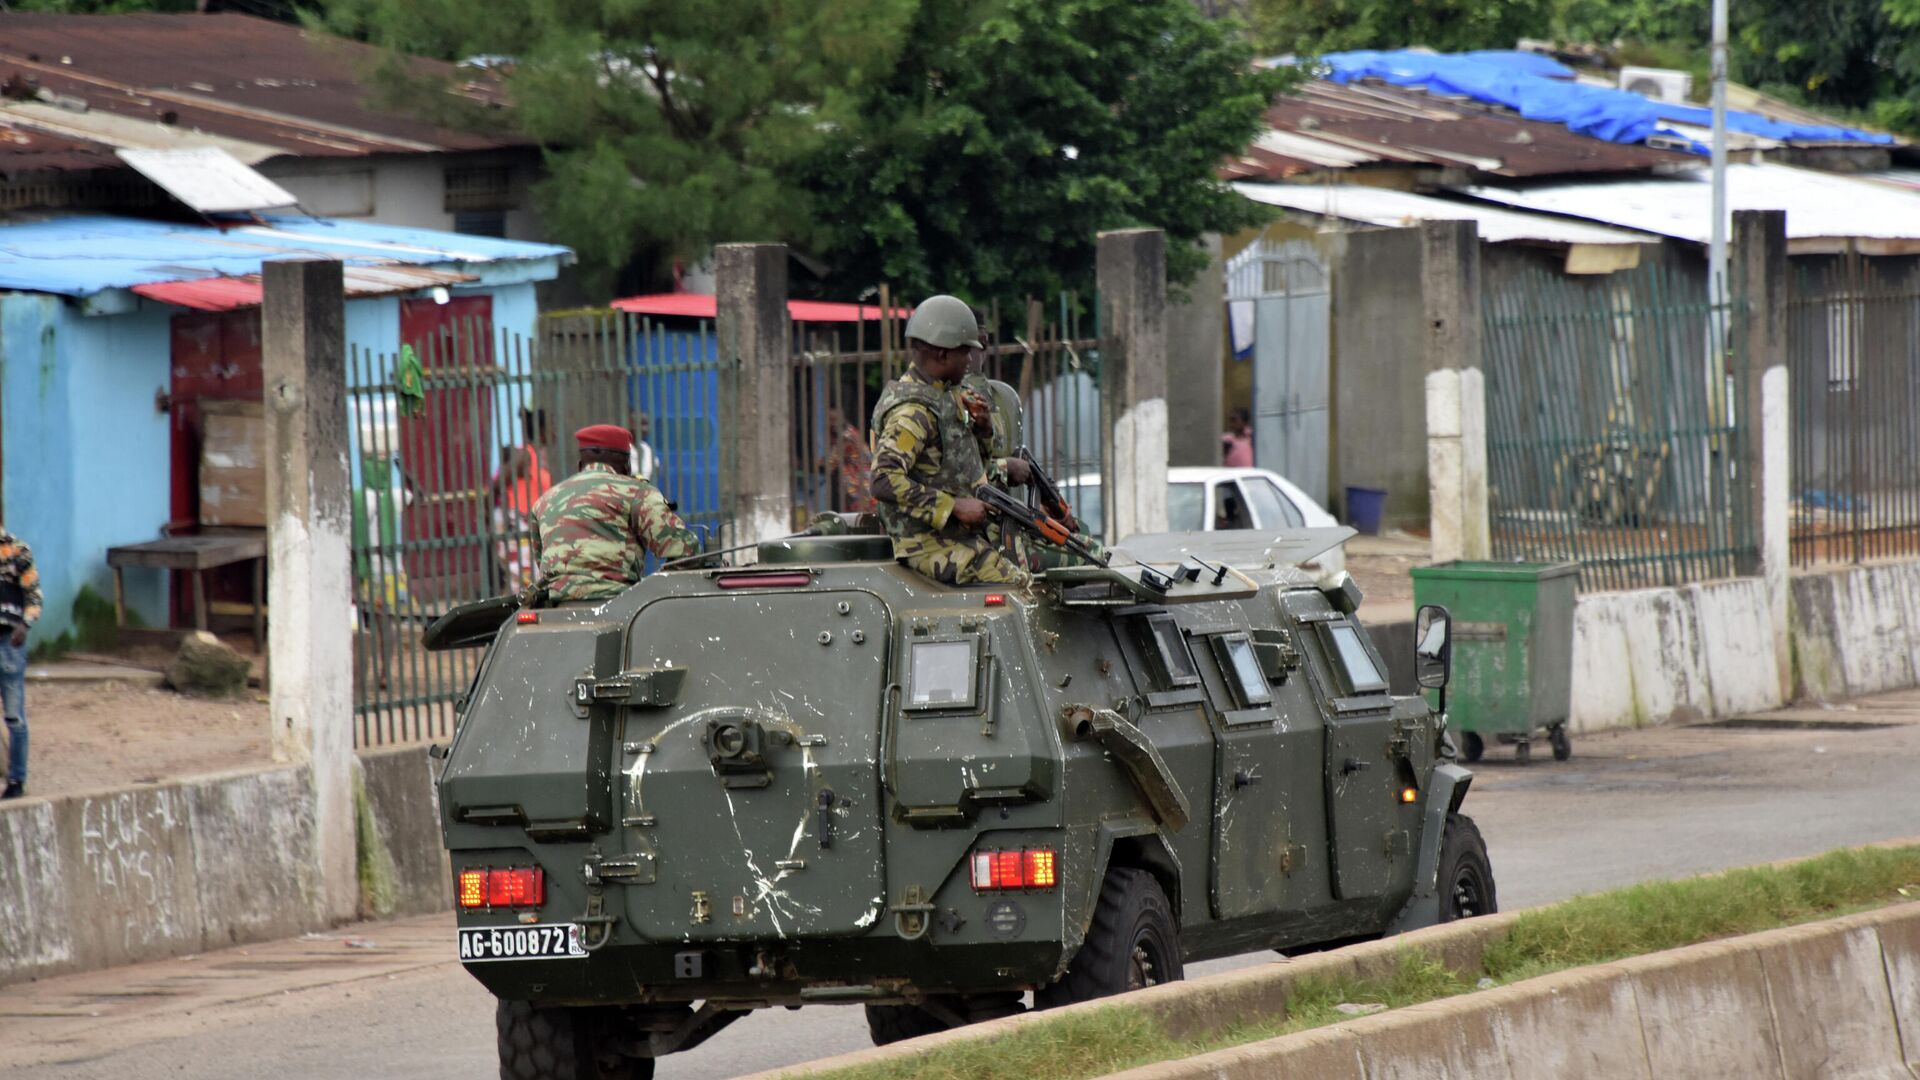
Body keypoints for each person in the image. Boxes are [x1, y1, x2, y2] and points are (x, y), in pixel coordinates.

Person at [870, 295, 1033, 588]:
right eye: (965, 352)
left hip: (959, 537)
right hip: (926, 544)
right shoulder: (913, 412)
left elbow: (964, 469)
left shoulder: (946, 395)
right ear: (942, 355)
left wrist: (983, 431)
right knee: (1021, 591)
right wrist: (952, 507)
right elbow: (883, 480)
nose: (971, 360)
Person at [533, 424, 700, 602]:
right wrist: (656, 590)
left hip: (557, 604)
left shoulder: (544, 500)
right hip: (618, 603)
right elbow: (686, 550)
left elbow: (540, 558)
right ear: (627, 466)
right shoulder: (636, 492)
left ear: (580, 464)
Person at [489, 408, 553, 592]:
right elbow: (496, 484)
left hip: (531, 526)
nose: (555, 432)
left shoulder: (540, 456)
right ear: (541, 430)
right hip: (519, 524)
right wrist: (491, 517)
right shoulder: (525, 455)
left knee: (528, 579)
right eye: (551, 427)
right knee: (524, 580)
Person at [0, 527, 40, 800]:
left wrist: (25, 625)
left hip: (8, 641)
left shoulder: (17, 550)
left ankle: (17, 779)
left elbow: (34, 595)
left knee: (14, 716)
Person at [821, 406, 876, 513]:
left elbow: (830, 463)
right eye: (829, 420)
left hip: (860, 487)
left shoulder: (846, 437)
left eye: (833, 420)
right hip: (863, 485)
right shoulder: (851, 432)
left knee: (858, 520)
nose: (831, 423)